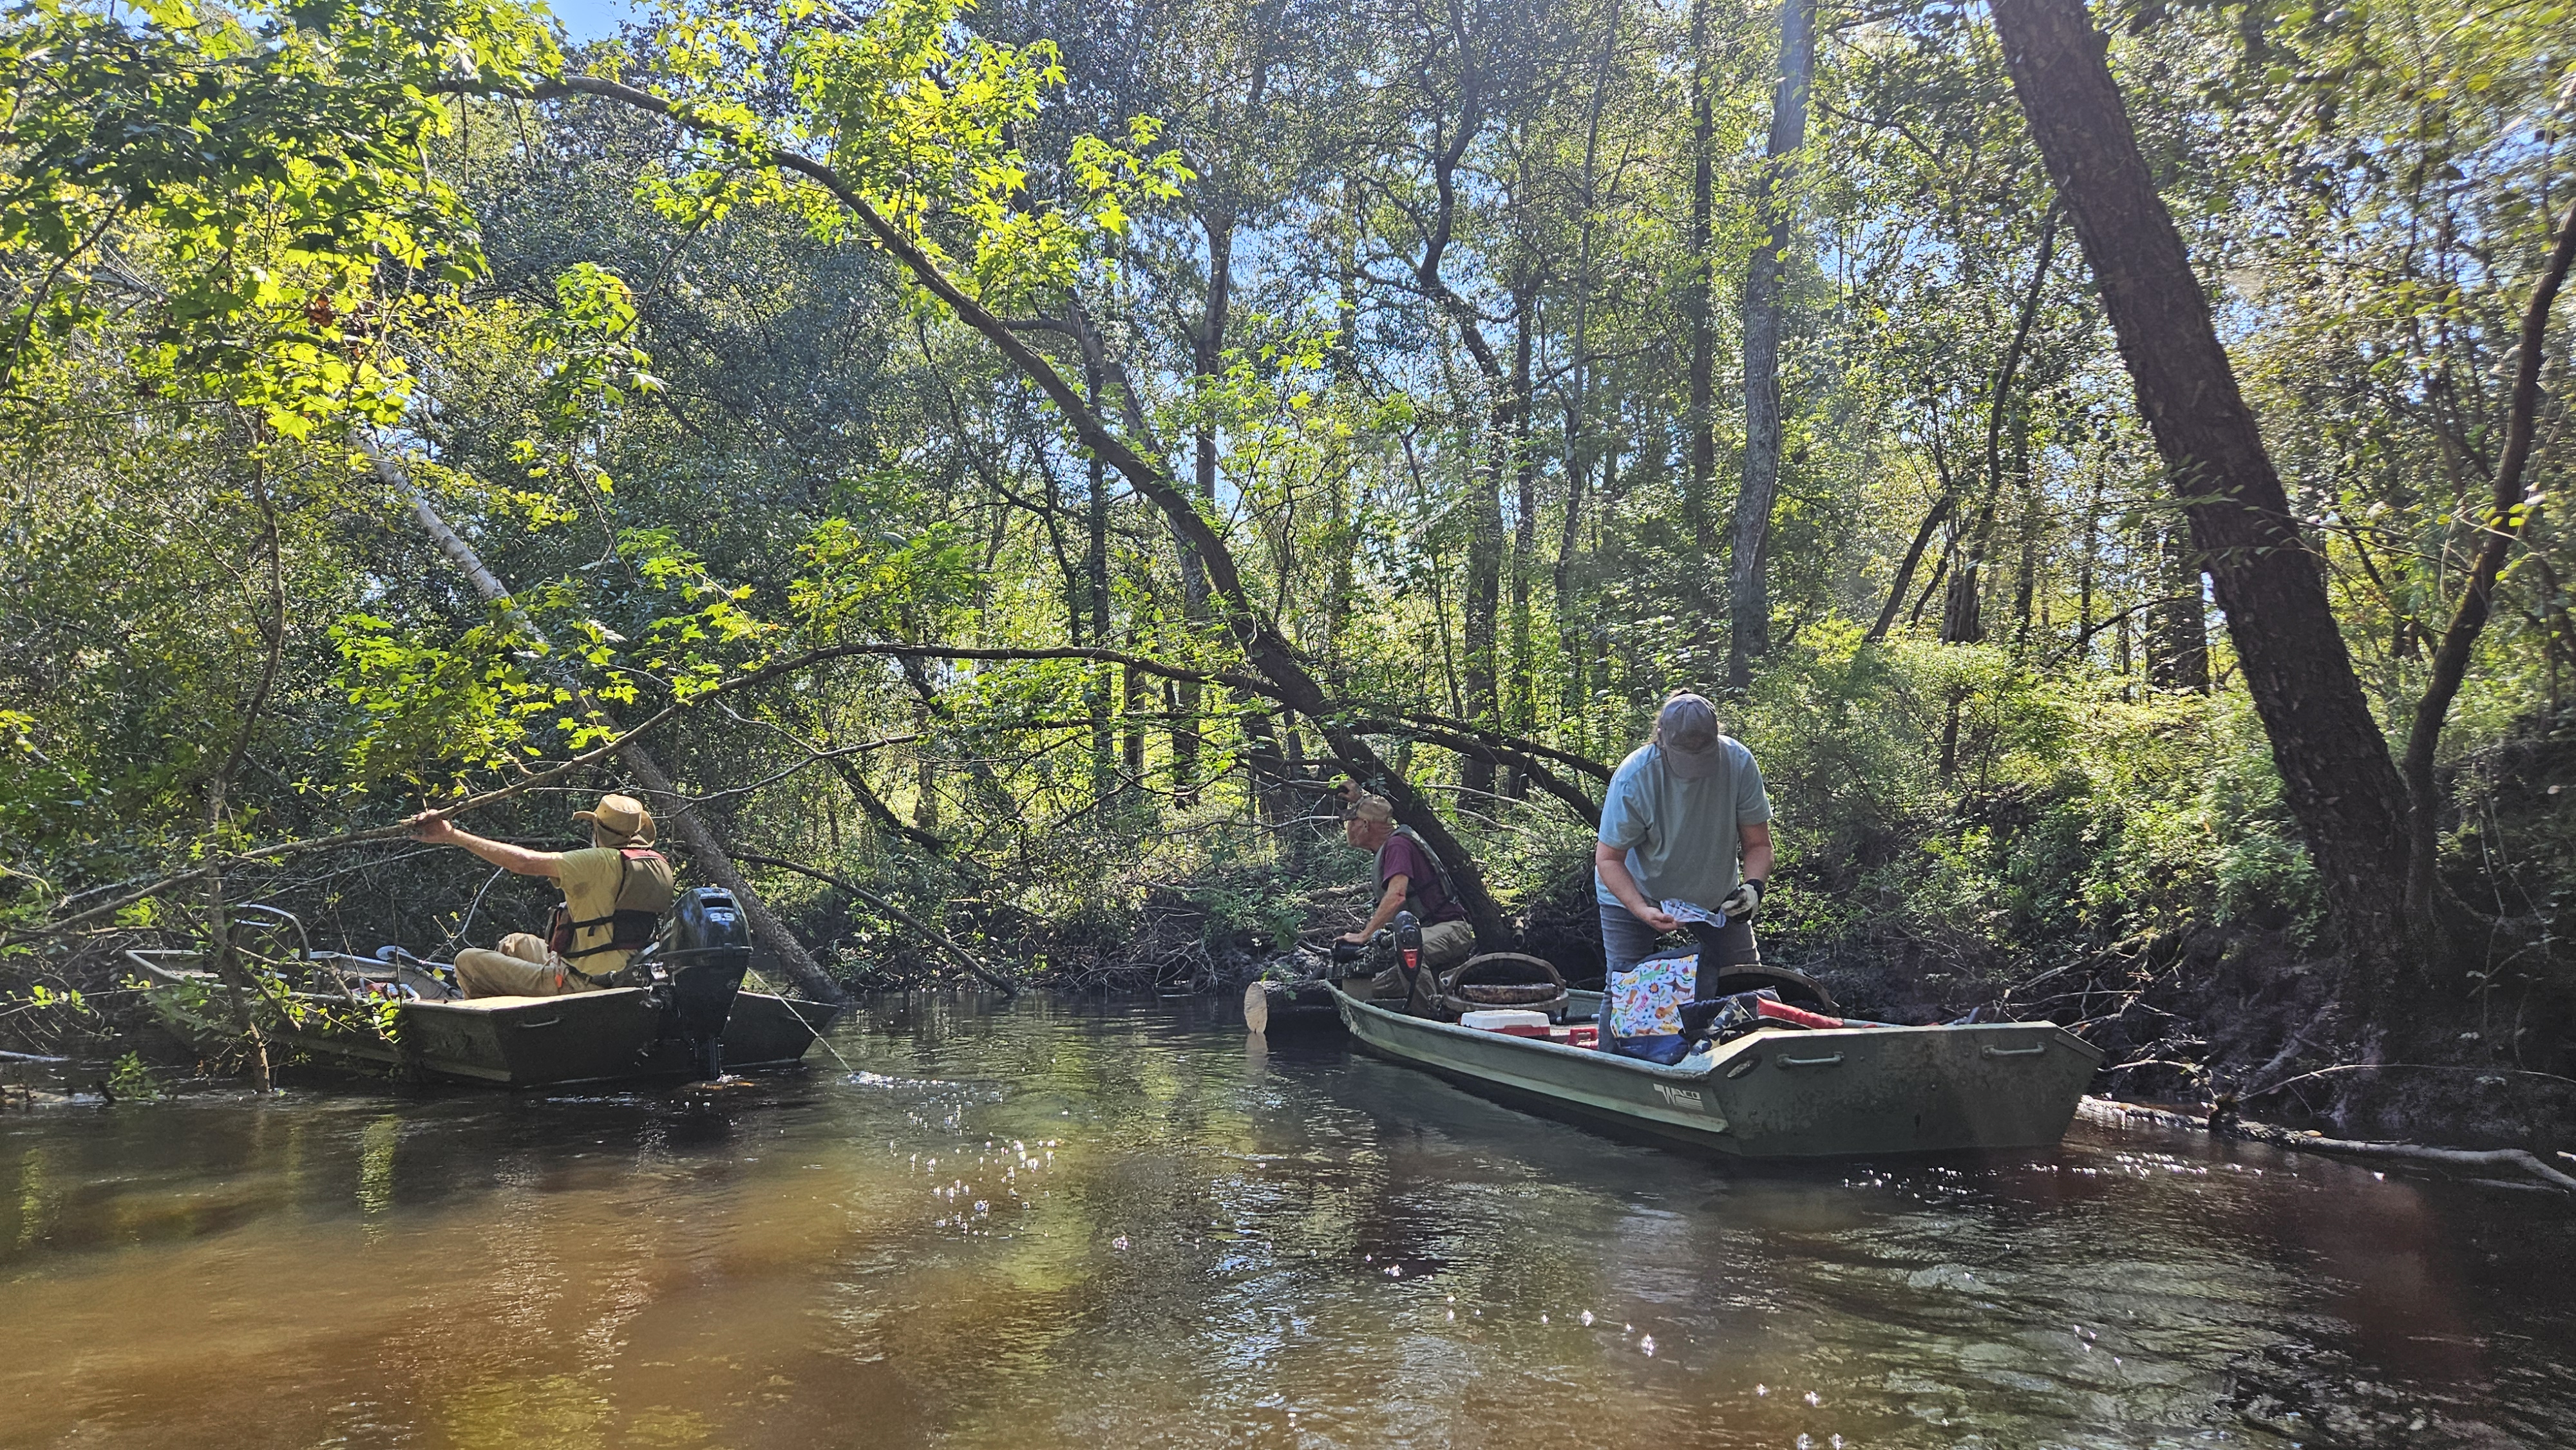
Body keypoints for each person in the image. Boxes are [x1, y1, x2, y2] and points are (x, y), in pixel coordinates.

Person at [404, 793, 676, 999]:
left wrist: (453, 835)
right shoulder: (656, 864)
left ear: (597, 830)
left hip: (584, 984)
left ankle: (514, 1031)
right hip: (628, 974)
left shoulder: (596, 861)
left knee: (467, 961)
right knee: (514, 943)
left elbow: (523, 863)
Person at [1594, 692, 1774, 979]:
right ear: (1661, 736)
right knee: (1624, 987)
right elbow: (1608, 860)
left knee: (1747, 980)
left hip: (1716, 896)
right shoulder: (1634, 777)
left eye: (1701, 756)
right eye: (1684, 758)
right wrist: (1641, 910)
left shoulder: (1738, 763)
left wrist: (1753, 888)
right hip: (1637, 890)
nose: (1692, 771)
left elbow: (1759, 845)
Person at [1338, 792, 1475, 973]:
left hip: (1449, 929)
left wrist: (1364, 935)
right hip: (1425, 931)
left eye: (1352, 821)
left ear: (1365, 825)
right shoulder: (1390, 846)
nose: (1349, 827)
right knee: (1374, 983)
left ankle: (1426, 1002)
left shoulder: (1397, 846)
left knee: (1406, 950)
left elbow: (1397, 896)